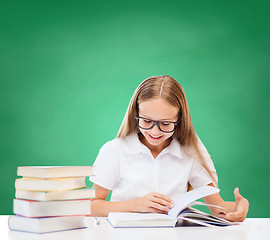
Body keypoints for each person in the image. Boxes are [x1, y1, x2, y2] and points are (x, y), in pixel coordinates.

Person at [89, 75, 249, 222]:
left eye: (165, 124)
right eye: (146, 121)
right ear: (136, 113)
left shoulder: (190, 152)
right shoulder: (115, 150)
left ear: (179, 119)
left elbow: (217, 208)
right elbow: (91, 206)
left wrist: (239, 208)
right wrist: (136, 205)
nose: (154, 131)